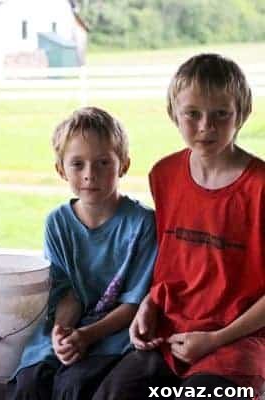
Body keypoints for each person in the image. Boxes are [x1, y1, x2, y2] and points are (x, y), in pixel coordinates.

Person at [94, 54, 265, 400]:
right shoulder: (165, 175)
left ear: (242, 114)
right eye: (193, 114)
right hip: (169, 335)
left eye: (221, 114)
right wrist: (148, 305)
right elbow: (174, 261)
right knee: (112, 394)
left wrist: (216, 339)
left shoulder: (260, 187)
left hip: (236, 343)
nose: (206, 126)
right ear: (174, 113)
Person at [7, 106, 157, 400]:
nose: (90, 175)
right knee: (29, 383)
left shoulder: (141, 224)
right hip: (70, 327)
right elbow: (68, 293)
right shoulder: (58, 223)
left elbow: (133, 305)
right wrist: (62, 332)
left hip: (113, 335)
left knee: (72, 388)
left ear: (124, 165)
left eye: (103, 163)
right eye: (78, 164)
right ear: (60, 169)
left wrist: (86, 337)